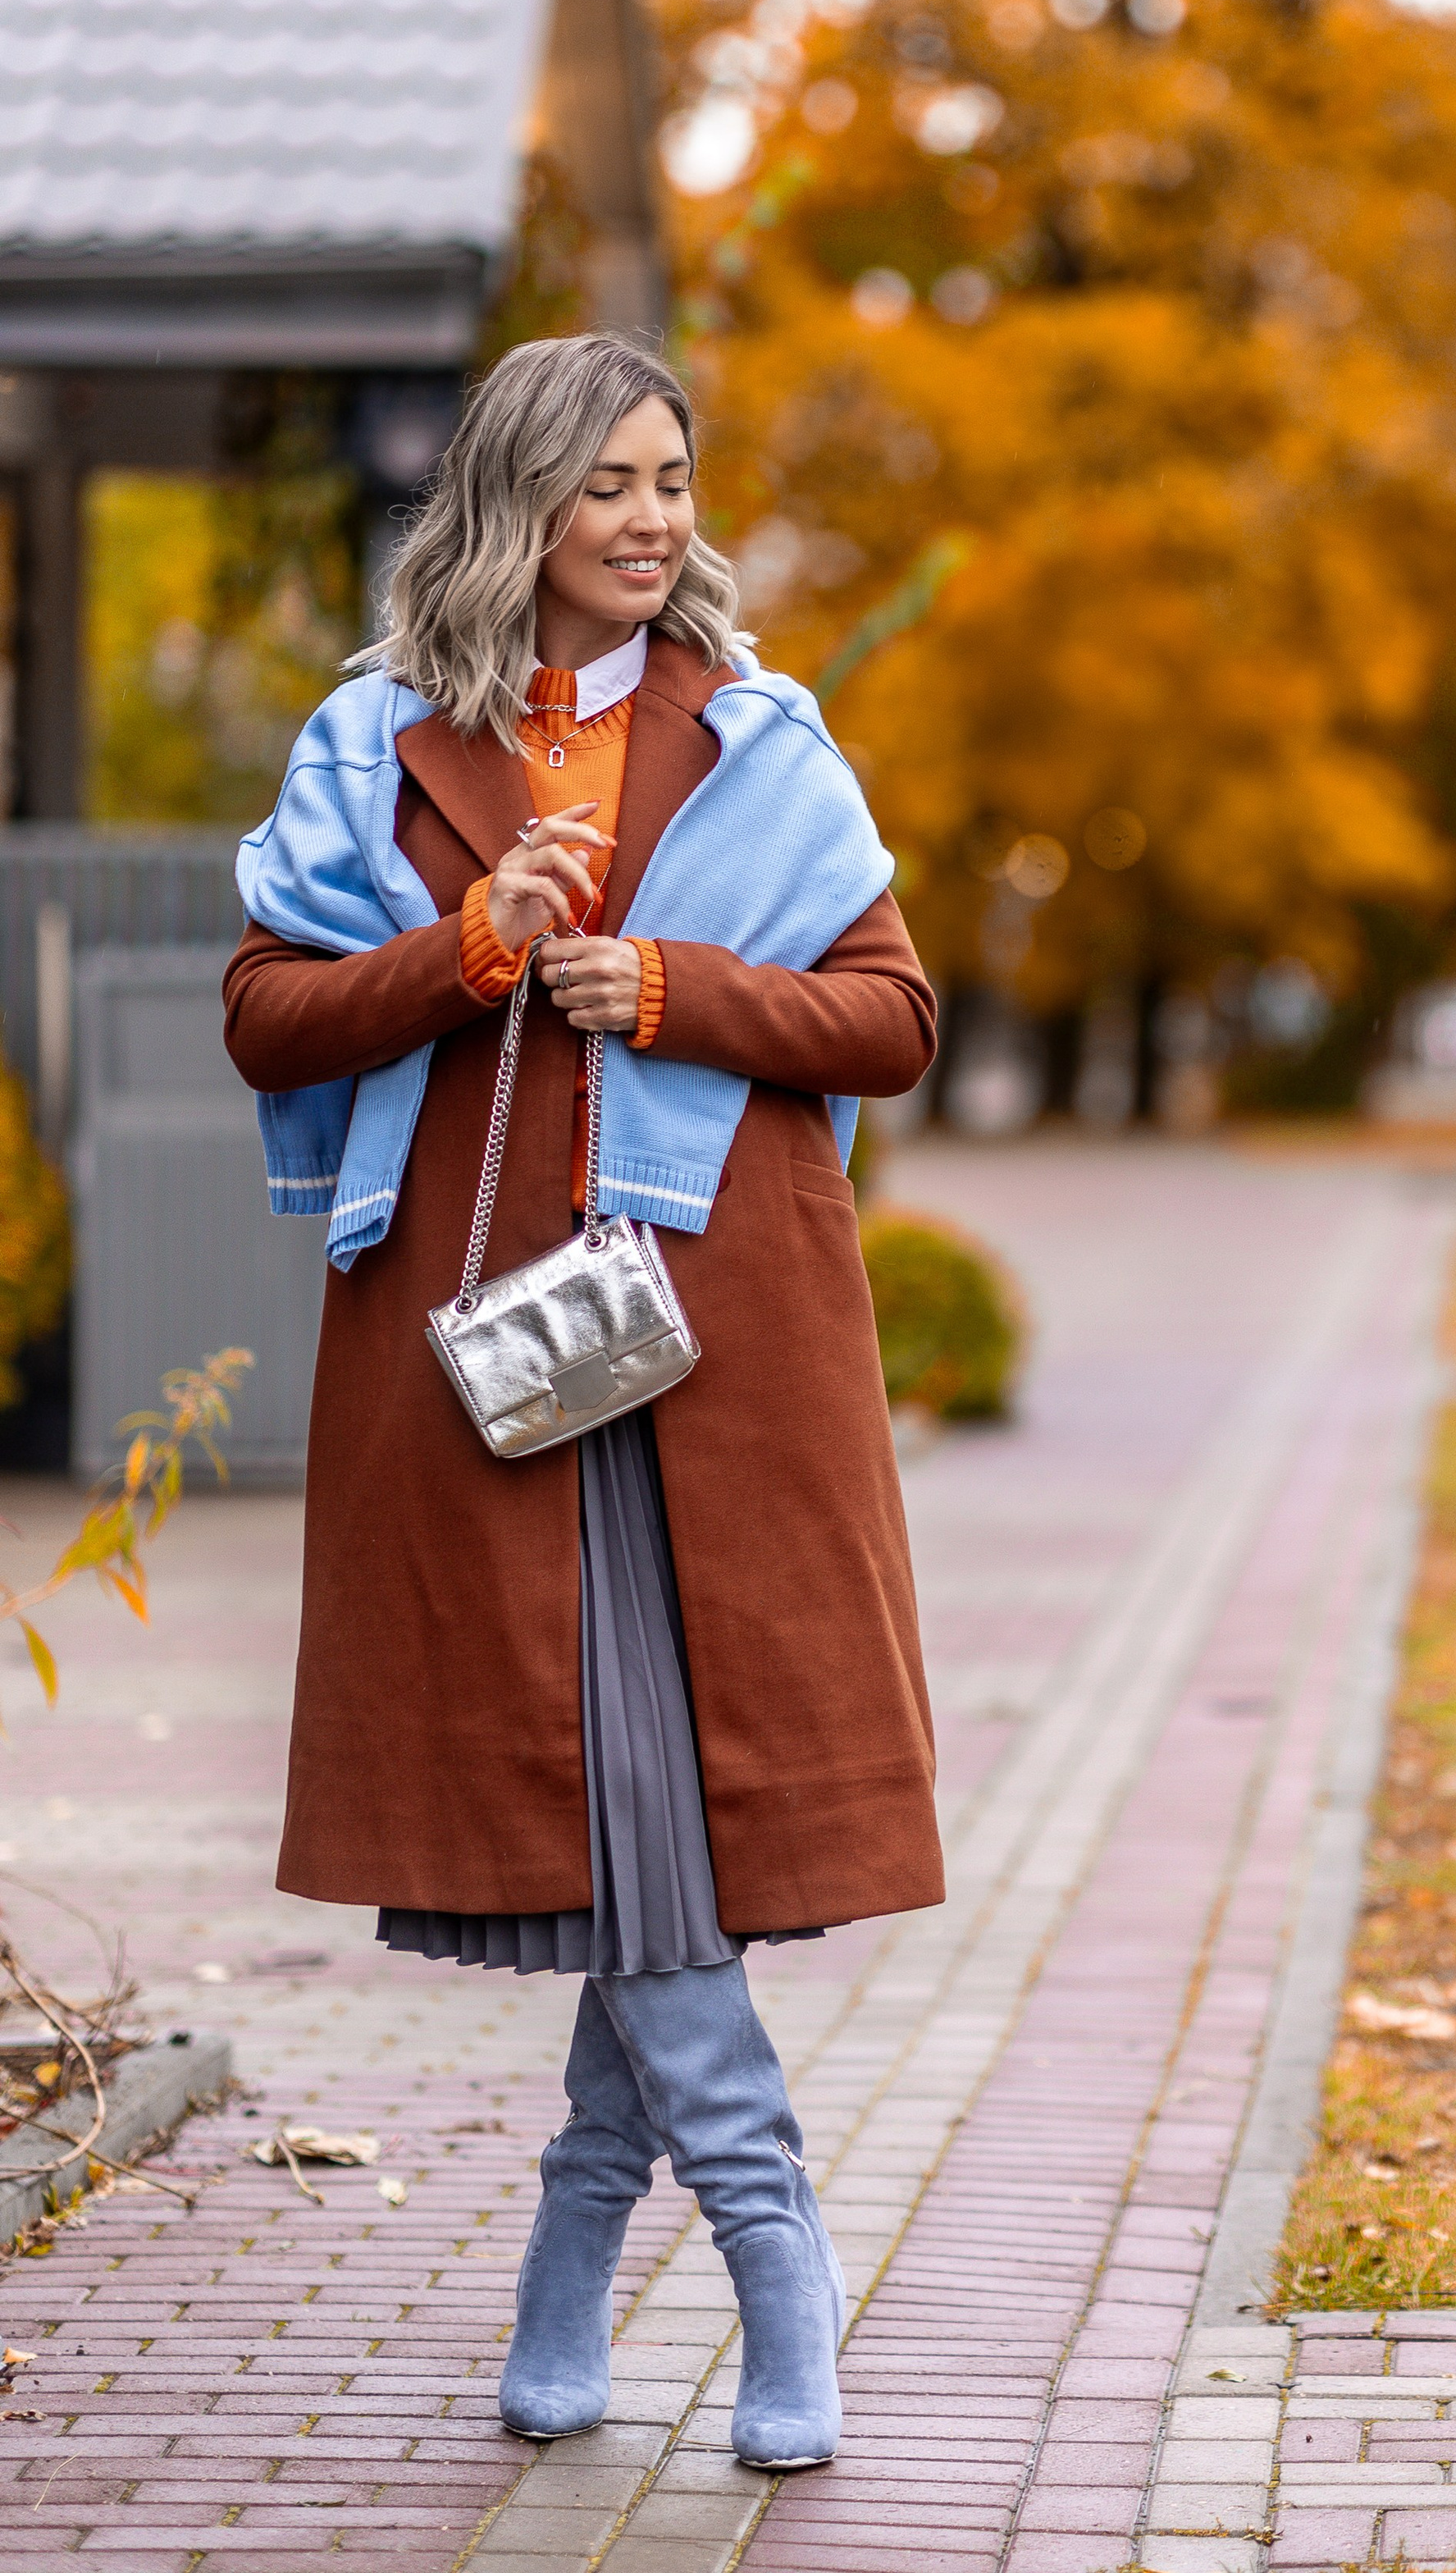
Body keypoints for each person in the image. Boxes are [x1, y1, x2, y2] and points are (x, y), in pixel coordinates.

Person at [221, 333, 943, 2470]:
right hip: (488, 1366)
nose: (653, 518)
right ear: (521, 503)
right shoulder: (378, 745)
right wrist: (462, 948)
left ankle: (706, 2242)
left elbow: (893, 1018)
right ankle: (731, 2234)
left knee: (657, 1823)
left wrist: (674, 986)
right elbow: (267, 1020)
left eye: (672, 478)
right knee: (636, 1829)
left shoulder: (760, 741)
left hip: (713, 1362)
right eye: (611, 481)